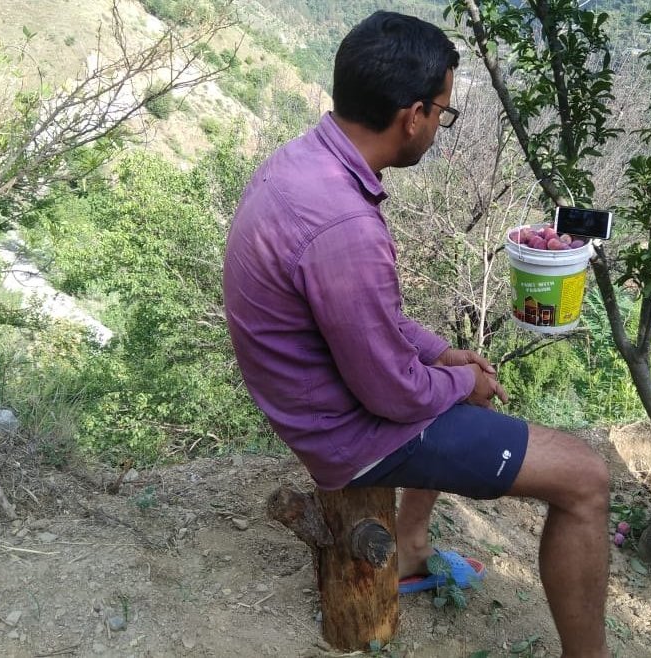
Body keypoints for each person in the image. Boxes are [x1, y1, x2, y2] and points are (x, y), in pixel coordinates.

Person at [222, 11, 611, 658]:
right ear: (412, 116)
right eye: (442, 114)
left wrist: (440, 354)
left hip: (308, 396)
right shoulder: (344, 225)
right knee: (586, 478)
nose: (439, 127)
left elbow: (363, 316)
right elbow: (394, 396)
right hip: (343, 431)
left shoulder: (304, 165)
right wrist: (461, 379)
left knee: (461, 383)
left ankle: (410, 546)